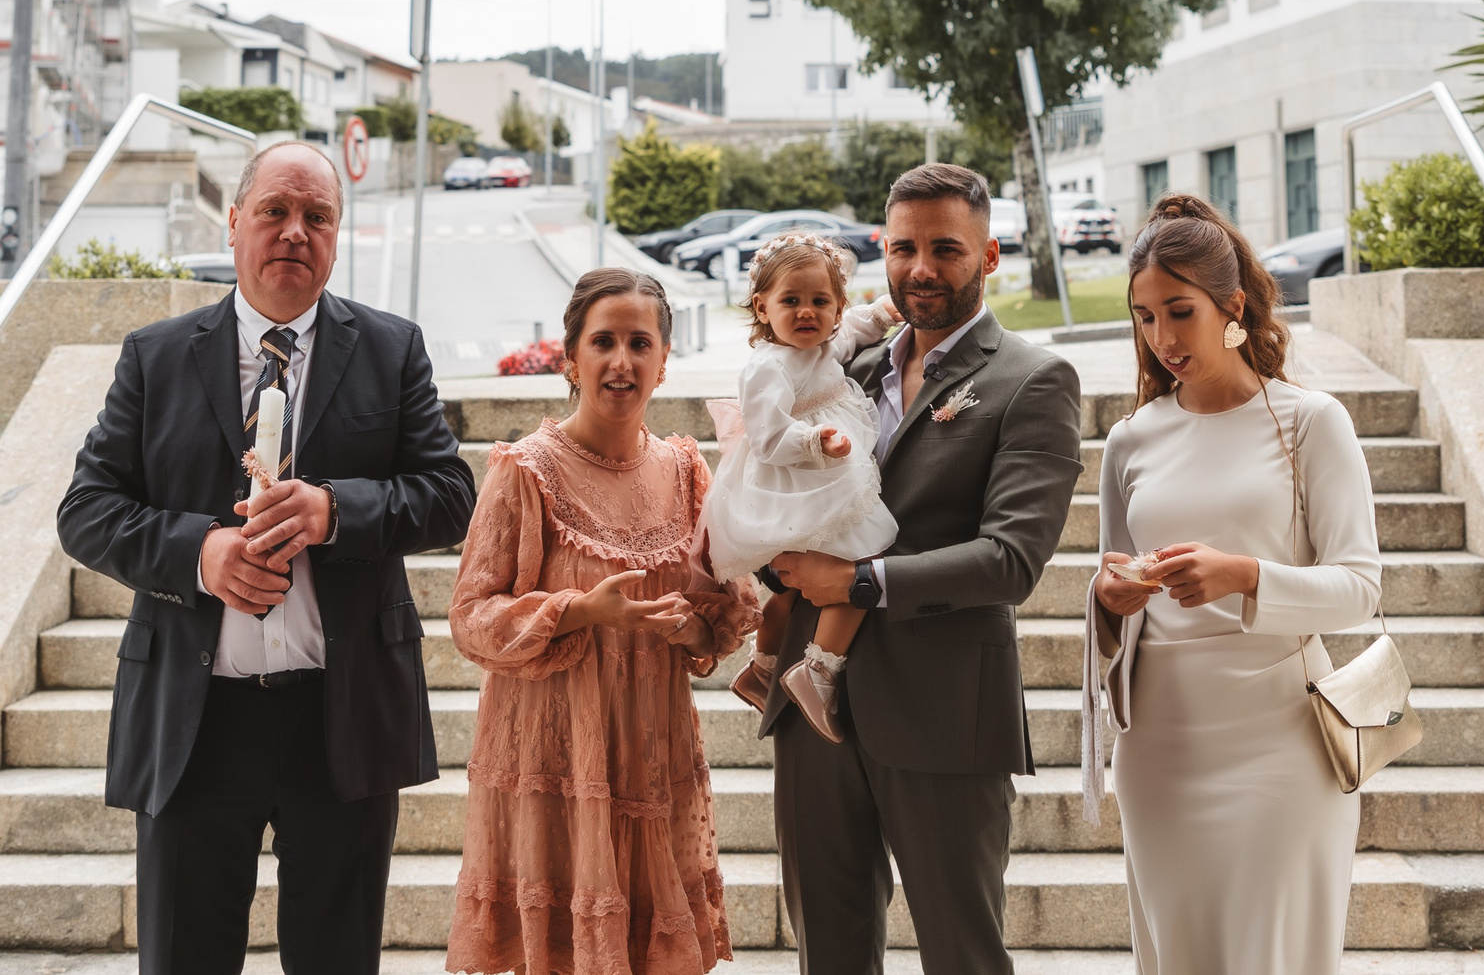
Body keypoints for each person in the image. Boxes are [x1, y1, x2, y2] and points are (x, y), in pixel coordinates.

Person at [56, 138, 476, 975]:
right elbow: (86, 511)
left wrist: (336, 511)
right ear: (236, 219)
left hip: (342, 715)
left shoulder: (392, 350)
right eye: (276, 211)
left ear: (337, 232)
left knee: (336, 960)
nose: (294, 230)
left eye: (316, 216)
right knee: (184, 959)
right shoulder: (156, 355)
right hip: (196, 717)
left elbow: (450, 494)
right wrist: (200, 552)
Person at [762, 162, 1084, 975]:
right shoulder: (840, 367)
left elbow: (1010, 560)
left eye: (946, 248)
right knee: (827, 953)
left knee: (961, 954)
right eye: (903, 247)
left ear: (991, 254)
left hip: (945, 712)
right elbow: (787, 490)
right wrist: (767, 551)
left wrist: (859, 581)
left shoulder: (1032, 380)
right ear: (882, 247)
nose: (921, 268)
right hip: (814, 709)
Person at [1083, 194, 1381, 974]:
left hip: (1283, 735)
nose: (1163, 337)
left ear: (1233, 305)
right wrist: (1112, 599)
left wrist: (1242, 575)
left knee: (1274, 953)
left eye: (1179, 311)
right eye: (1145, 317)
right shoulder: (1130, 437)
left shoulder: (1313, 421)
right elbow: (1113, 576)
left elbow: (1359, 586)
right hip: (1160, 740)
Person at [446, 267, 761, 975]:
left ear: (663, 360)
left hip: (656, 759)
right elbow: (470, 617)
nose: (622, 359)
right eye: (604, 341)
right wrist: (577, 610)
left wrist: (694, 630)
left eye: (640, 342)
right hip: (557, 763)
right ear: (570, 358)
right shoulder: (525, 472)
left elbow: (728, 610)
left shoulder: (685, 471)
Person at [699, 232, 900, 736]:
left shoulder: (824, 343)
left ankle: (761, 669)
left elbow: (852, 330)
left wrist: (879, 314)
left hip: (821, 479)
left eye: (820, 301)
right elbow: (767, 437)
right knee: (856, 565)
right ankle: (818, 671)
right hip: (798, 480)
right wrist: (814, 442)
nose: (807, 312)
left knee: (791, 590)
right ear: (762, 307)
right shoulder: (768, 365)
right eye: (791, 301)